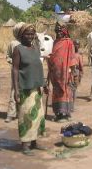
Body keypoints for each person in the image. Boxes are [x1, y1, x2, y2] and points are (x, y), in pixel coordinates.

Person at [12, 24, 46, 155]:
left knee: (37, 116)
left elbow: (38, 67)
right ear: (21, 35)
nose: (30, 36)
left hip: (36, 88)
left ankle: (34, 142)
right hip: (24, 88)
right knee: (26, 116)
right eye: (27, 34)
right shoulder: (18, 49)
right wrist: (16, 89)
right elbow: (15, 69)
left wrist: (43, 84)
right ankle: (25, 145)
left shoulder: (35, 48)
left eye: (32, 34)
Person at [47, 23, 77, 122]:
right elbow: (54, 56)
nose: (58, 33)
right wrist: (49, 58)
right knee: (56, 91)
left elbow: (72, 57)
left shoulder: (69, 42)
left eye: (60, 31)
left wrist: (73, 72)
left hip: (65, 72)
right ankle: (58, 113)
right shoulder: (55, 42)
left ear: (64, 31)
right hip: (55, 73)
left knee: (65, 91)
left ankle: (65, 114)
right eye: (57, 31)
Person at [5, 22, 25, 123]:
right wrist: (14, 62)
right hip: (15, 71)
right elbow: (8, 56)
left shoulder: (29, 43)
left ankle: (21, 113)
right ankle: (11, 114)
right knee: (14, 91)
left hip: (26, 71)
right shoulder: (13, 44)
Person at [71, 39, 84, 110]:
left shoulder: (79, 55)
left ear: (79, 46)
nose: (76, 45)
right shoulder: (71, 54)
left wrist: (81, 74)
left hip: (76, 73)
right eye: (75, 44)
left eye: (77, 44)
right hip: (71, 74)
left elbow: (81, 66)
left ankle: (72, 105)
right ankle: (71, 105)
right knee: (71, 89)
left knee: (74, 90)